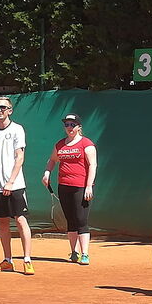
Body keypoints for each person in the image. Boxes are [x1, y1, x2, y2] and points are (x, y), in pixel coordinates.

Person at [0, 96, 34, 275]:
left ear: (10, 111)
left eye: (3, 107)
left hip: (15, 185)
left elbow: (20, 157)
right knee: (2, 222)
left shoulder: (17, 129)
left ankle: (27, 260)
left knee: (20, 220)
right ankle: (7, 261)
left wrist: (10, 182)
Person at [42, 113, 97, 265]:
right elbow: (52, 160)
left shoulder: (86, 144)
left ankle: (85, 254)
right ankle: (74, 252)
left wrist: (89, 186)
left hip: (81, 187)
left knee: (81, 220)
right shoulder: (60, 145)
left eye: (73, 125)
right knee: (71, 221)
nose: (69, 127)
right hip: (64, 186)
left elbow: (93, 165)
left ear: (79, 127)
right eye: (67, 124)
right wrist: (47, 173)